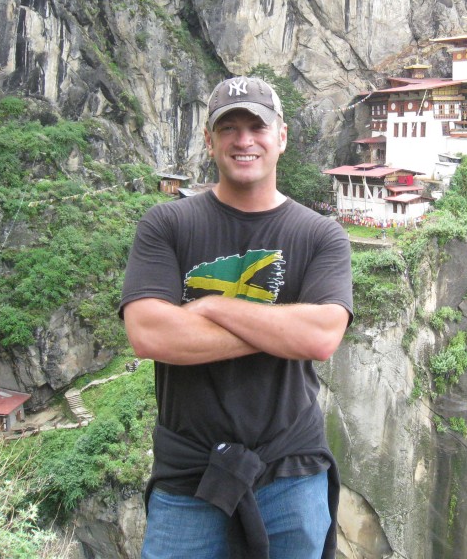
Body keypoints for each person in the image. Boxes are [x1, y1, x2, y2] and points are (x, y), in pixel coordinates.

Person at [120, 75, 353, 559]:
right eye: (229, 129)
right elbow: (149, 333)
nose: (243, 140)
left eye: (257, 126)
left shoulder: (321, 236)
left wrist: (210, 307)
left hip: (292, 471)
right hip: (190, 474)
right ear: (209, 140)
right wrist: (280, 329)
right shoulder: (167, 224)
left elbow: (322, 336)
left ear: (280, 137)